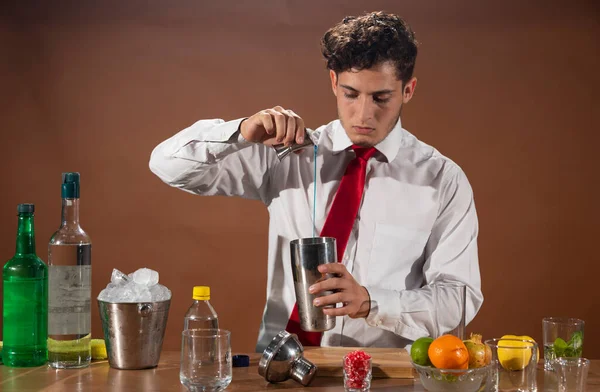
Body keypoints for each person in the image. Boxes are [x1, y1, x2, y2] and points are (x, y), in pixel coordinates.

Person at [149, 11, 483, 352]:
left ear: (408, 90)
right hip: (282, 368)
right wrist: (239, 131)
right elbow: (166, 164)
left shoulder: (442, 179)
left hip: (384, 375)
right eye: (351, 94)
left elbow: (459, 298)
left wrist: (372, 301)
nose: (364, 115)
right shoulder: (285, 154)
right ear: (334, 83)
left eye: (381, 98)